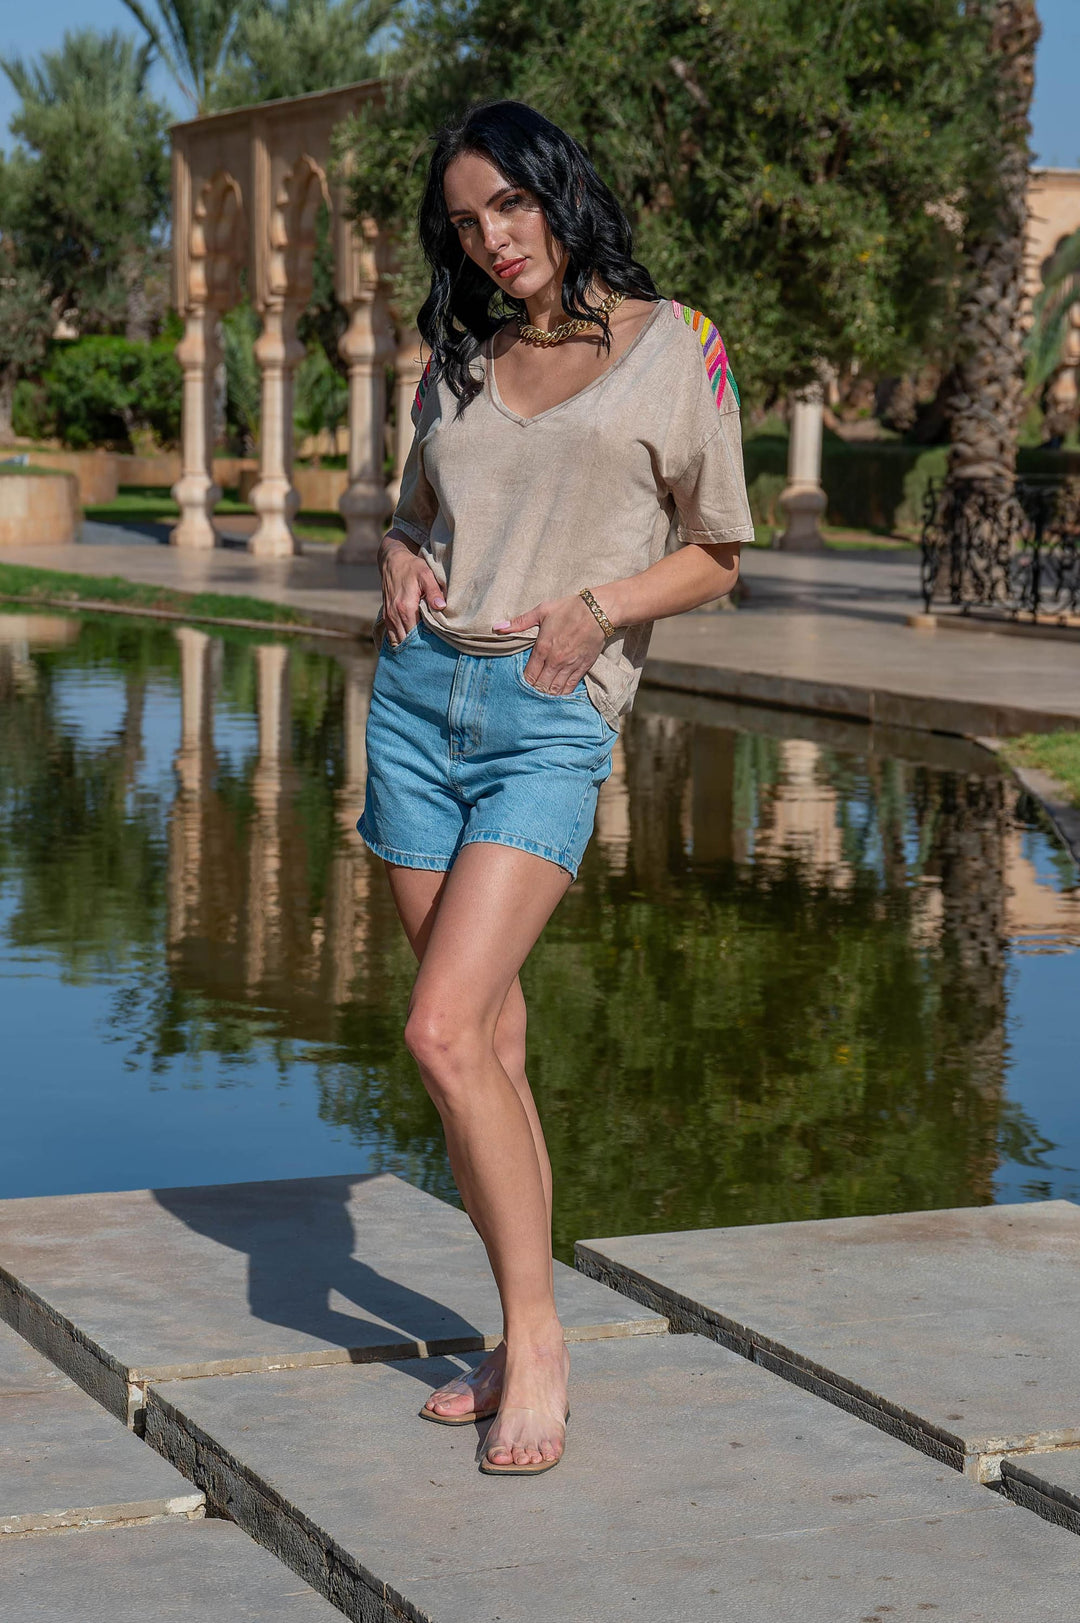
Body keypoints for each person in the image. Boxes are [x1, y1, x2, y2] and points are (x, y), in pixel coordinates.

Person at [357, 99, 754, 1476]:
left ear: (558, 191)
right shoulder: (458, 358)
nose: (493, 240)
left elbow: (718, 551)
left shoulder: (676, 345)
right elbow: (417, 512)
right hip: (417, 707)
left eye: (510, 206)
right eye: (467, 223)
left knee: (441, 1032)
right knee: (490, 1048)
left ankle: (536, 1343)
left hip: (545, 719)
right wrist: (396, 553)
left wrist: (601, 607)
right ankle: (518, 1331)